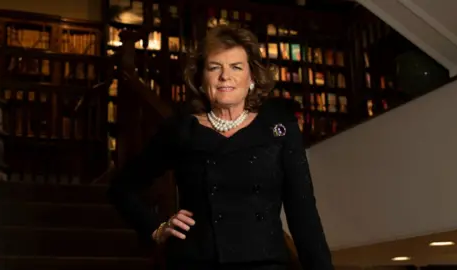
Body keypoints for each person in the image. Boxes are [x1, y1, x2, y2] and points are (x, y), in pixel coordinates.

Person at [108, 25, 333, 270]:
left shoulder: (280, 128)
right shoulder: (182, 131)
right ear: (201, 80)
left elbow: (304, 216)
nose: (225, 76)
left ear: (252, 78)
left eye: (237, 67)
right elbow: (122, 187)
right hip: (195, 261)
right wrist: (156, 227)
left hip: (265, 263)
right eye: (215, 67)